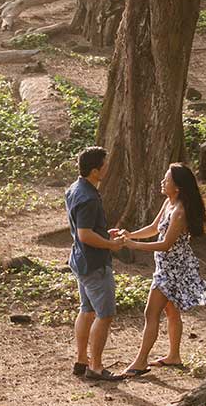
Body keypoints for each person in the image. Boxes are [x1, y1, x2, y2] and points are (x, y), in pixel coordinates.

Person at [117, 164, 206, 376]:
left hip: (174, 270)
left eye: (167, 179)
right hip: (166, 266)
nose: (163, 182)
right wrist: (131, 235)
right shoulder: (168, 203)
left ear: (178, 187)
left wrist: (134, 246)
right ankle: (174, 356)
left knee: (150, 312)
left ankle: (140, 362)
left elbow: (166, 244)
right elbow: (154, 229)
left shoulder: (180, 212)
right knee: (171, 312)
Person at [64, 146, 126, 382]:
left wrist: (104, 232)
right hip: (94, 264)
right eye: (104, 165)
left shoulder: (75, 189)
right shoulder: (89, 197)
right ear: (94, 170)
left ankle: (82, 360)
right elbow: (85, 234)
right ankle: (97, 367)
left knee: (87, 309)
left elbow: (86, 229)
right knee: (105, 314)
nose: (107, 168)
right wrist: (110, 244)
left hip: (81, 261)